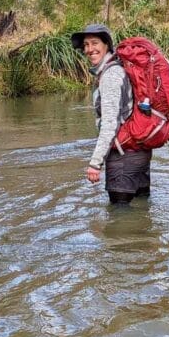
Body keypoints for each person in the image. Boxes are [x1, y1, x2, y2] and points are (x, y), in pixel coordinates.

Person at [71, 23, 151, 204]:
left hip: (124, 157)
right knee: (142, 208)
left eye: (94, 43)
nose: (89, 49)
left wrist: (95, 163)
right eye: (85, 45)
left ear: (106, 44)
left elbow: (110, 124)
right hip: (139, 152)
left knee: (119, 218)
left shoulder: (111, 75)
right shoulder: (118, 68)